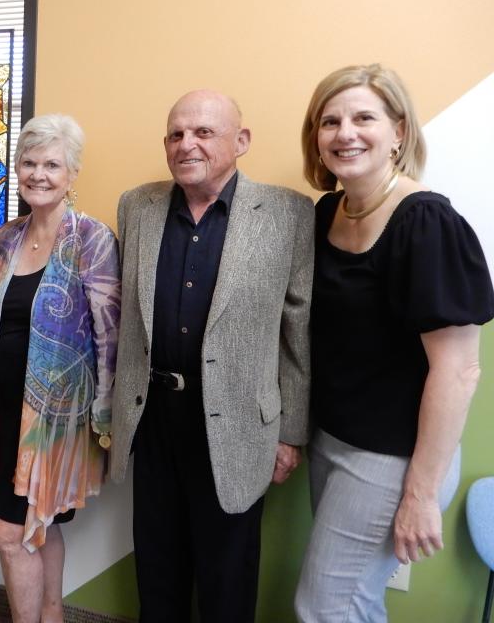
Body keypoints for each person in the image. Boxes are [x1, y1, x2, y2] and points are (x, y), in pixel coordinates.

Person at [294, 64, 494, 622]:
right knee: (355, 599)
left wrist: (420, 493)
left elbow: (458, 373)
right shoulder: (329, 212)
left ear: (399, 131)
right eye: (329, 121)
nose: (344, 133)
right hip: (333, 439)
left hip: (394, 456)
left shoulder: (426, 222)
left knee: (326, 606)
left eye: (364, 118)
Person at [109, 90, 314, 622]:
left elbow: (298, 330)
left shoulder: (288, 213)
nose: (187, 144)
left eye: (204, 132)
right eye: (176, 134)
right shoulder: (138, 205)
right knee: (157, 568)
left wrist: (290, 432)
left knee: (228, 578)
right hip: (152, 418)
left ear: (240, 141)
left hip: (241, 426)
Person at [0, 113, 120, 623]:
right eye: (29, 162)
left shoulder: (91, 239)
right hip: (7, 407)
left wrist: (105, 418)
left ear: (72, 173)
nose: (39, 173)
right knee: (42, 525)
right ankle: (52, 614)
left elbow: (110, 334)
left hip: (60, 420)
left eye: (52, 164)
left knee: (9, 534)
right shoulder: (6, 239)